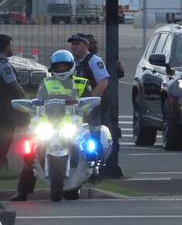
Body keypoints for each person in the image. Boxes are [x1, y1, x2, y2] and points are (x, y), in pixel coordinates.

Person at [10, 50, 92, 201]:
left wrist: (88, 106)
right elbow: (37, 102)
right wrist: (30, 106)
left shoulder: (81, 83)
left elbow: (87, 102)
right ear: (53, 67)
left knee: (88, 146)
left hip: (71, 121)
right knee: (30, 152)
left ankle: (87, 173)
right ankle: (22, 192)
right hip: (48, 121)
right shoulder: (46, 83)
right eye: (58, 67)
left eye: (64, 66)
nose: (61, 69)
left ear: (71, 66)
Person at [68, 33, 122, 179]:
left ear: (86, 45)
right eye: (73, 44)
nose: (74, 46)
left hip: (91, 105)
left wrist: (90, 101)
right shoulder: (71, 61)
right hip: (73, 105)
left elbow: (103, 82)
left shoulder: (93, 60)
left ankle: (96, 166)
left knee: (94, 133)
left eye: (78, 44)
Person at [0, 35, 26, 169]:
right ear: (5, 47)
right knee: (6, 135)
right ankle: (2, 162)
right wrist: (25, 98)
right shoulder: (3, 65)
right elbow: (14, 85)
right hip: (4, 107)